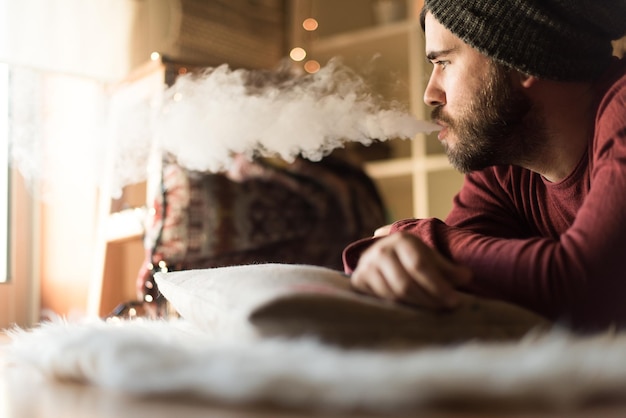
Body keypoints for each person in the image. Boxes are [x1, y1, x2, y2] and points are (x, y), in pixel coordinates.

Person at [342, 0, 626, 333]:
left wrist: (413, 235)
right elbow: (444, 275)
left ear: (523, 59)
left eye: (444, 62)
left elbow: (584, 287)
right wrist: (393, 255)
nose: (430, 95)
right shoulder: (507, 162)